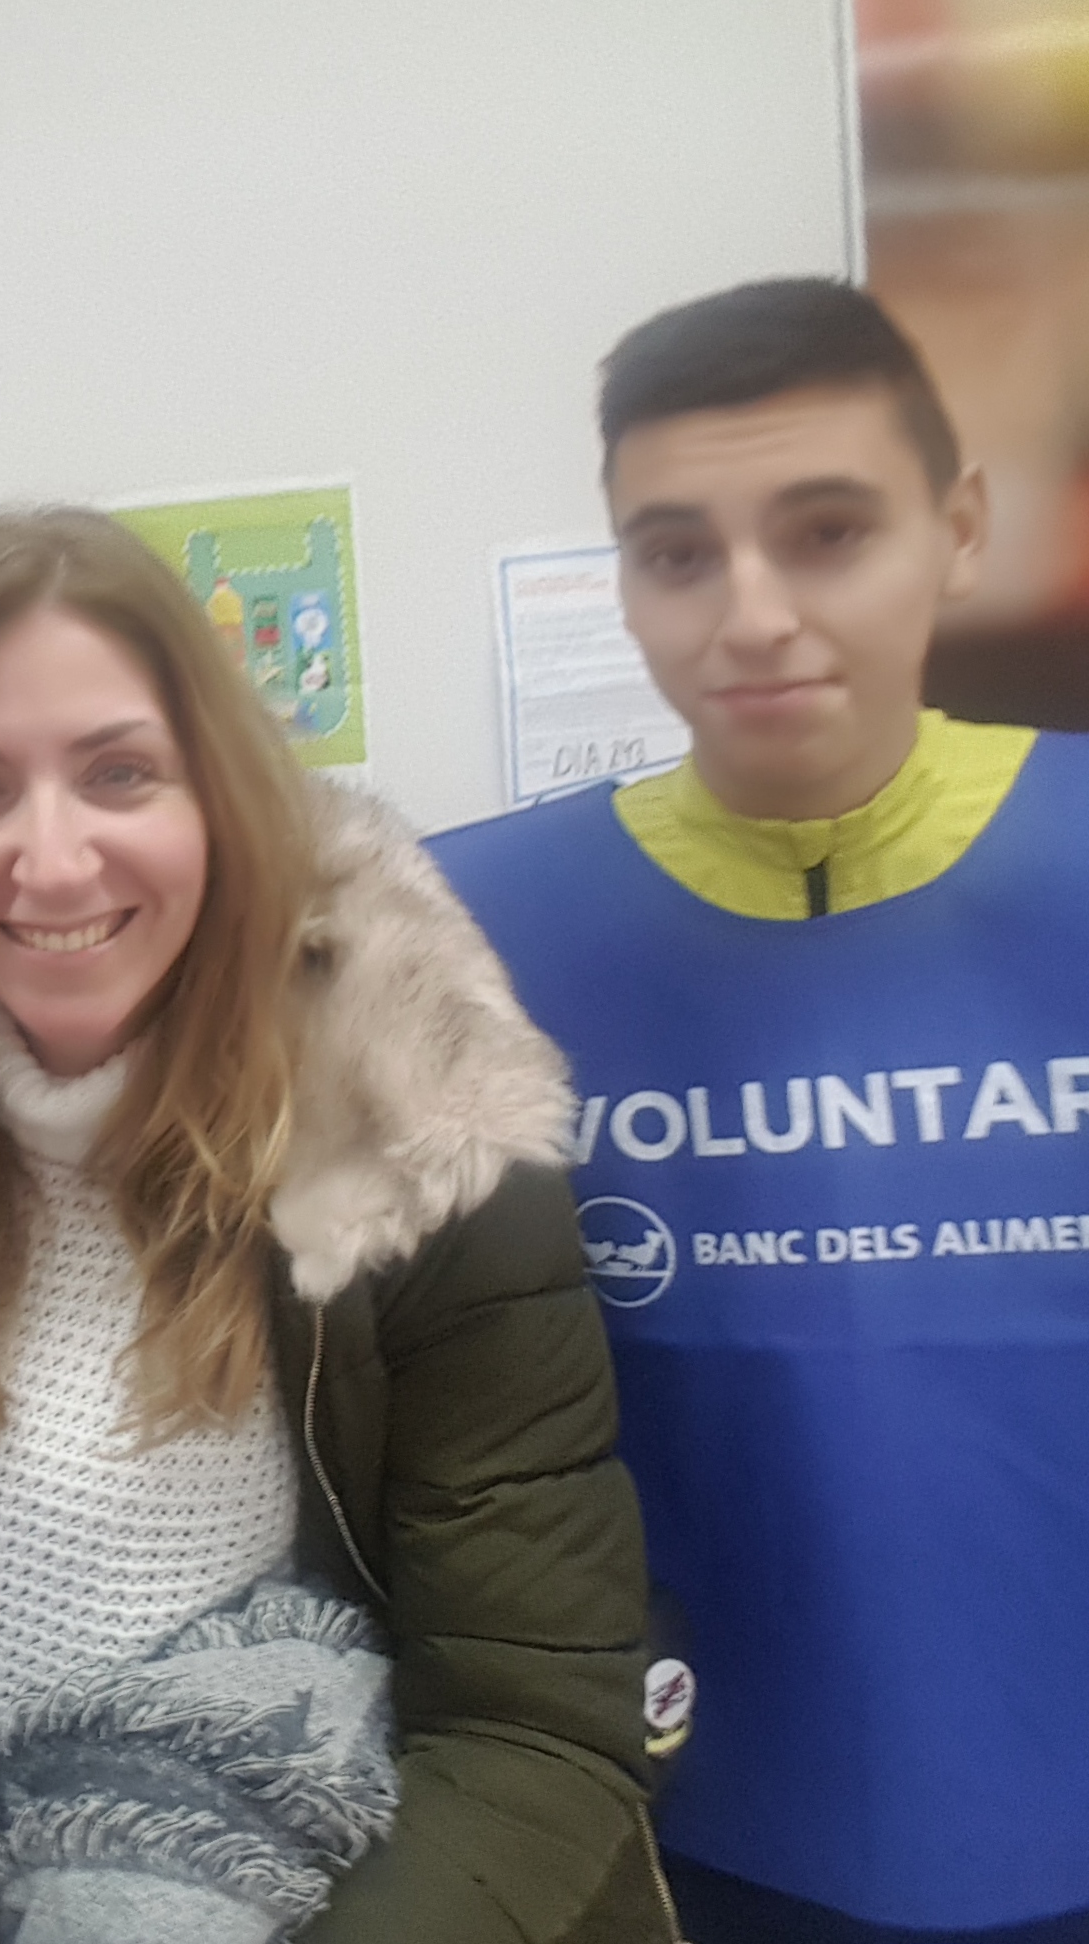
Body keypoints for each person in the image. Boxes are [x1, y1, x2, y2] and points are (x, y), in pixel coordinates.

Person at [0, 505, 668, 1942]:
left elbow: (535, 1730)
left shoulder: (411, 1155)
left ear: (223, 795)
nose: (52, 862)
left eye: (119, 772)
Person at [429, 279, 1089, 1944]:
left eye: (827, 533)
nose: (753, 615)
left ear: (956, 529)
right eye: (677, 554)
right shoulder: (462, 934)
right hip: (690, 1830)